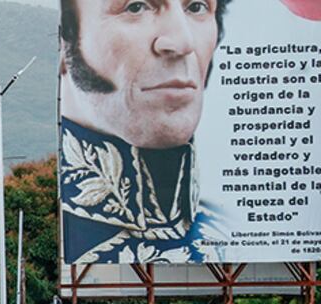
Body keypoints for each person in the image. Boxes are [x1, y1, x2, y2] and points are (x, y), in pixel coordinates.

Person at [60, 0, 230, 263]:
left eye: (196, 7)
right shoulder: (72, 238)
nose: (183, 42)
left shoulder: (236, 237)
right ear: (65, 43)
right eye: (136, 7)